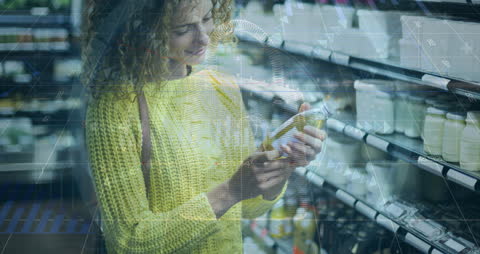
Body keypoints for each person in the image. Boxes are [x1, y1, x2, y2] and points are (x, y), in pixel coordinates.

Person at [82, 0, 326, 253]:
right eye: (183, 29)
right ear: (141, 31)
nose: (203, 38)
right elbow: (130, 241)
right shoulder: (114, 108)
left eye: (207, 18)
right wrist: (229, 192)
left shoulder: (221, 87)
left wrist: (281, 165)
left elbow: (250, 207)